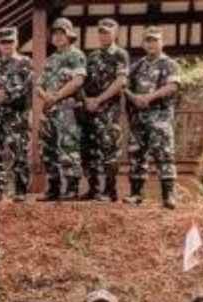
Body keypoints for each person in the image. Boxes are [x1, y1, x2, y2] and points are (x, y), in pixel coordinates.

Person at [125, 27, 181, 209]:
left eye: (155, 40)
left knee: (164, 155)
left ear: (161, 42)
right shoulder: (137, 65)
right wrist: (133, 97)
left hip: (160, 118)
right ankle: (136, 194)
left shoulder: (169, 64)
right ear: (143, 43)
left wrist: (148, 98)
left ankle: (168, 196)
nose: (151, 44)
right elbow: (123, 85)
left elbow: (172, 86)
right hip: (139, 118)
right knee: (136, 155)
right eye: (148, 40)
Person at [77, 19, 129, 201]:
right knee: (88, 150)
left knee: (109, 150)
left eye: (107, 32)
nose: (103, 35)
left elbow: (121, 81)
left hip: (108, 110)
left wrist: (99, 99)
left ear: (115, 33)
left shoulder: (120, 55)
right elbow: (82, 81)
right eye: (101, 32)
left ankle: (110, 191)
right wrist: (86, 100)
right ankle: (93, 189)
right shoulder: (91, 57)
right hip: (90, 110)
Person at [0, 27, 33, 201]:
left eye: (10, 42)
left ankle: (20, 191)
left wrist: (7, 95)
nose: (7, 45)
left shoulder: (25, 62)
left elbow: (28, 86)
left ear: (16, 42)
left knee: (19, 152)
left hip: (16, 117)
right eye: (3, 42)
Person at [36, 19, 86, 201]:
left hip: (68, 109)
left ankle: (72, 189)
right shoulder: (51, 60)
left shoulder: (76, 55)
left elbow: (78, 80)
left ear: (69, 35)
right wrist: (46, 96)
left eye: (61, 33)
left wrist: (57, 96)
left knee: (68, 147)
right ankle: (53, 188)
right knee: (48, 149)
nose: (57, 37)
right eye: (55, 33)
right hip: (50, 110)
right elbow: (38, 85)